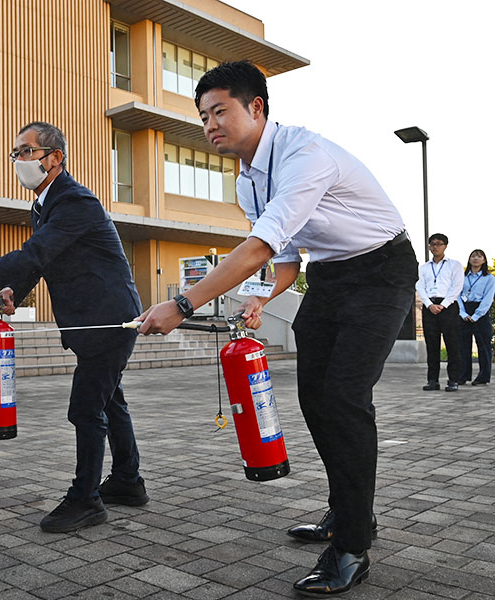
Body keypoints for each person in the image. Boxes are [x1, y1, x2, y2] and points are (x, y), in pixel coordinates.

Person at [136, 61, 418, 596]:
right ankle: (347, 511)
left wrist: (183, 303)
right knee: (314, 396)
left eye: (220, 110)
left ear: (256, 107)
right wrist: (261, 297)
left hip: (383, 269)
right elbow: (284, 259)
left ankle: (354, 546)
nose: (209, 124)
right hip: (330, 274)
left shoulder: (304, 155)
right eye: (202, 116)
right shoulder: (248, 182)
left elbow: (260, 247)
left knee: (343, 397)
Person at [0, 121, 148, 534]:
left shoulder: (75, 201)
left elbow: (34, 252)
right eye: (15, 153)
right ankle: (127, 481)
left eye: (27, 152)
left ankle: (86, 500)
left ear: (55, 158)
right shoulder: (45, 205)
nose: (19, 161)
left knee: (85, 409)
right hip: (93, 321)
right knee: (109, 402)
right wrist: (16, 288)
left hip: (108, 319)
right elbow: (45, 258)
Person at [416, 233, 464, 392]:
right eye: (432, 244)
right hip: (430, 306)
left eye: (439, 244)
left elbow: (456, 287)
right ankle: (432, 380)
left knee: (452, 344)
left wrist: (443, 305)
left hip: (448, 306)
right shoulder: (424, 267)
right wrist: (429, 305)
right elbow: (420, 287)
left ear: (445, 246)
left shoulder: (454, 265)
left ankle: (453, 380)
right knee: (432, 344)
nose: (435, 247)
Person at [457, 249, 493, 386]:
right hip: (464, 310)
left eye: (479, 256)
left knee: (483, 346)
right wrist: (463, 313)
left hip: (481, 312)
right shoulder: (463, 276)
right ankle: (463, 375)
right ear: (469, 259)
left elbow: (488, 298)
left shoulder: (489, 278)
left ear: (484, 260)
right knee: (463, 345)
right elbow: (457, 295)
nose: (476, 259)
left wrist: (477, 315)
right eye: (473, 256)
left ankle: (483, 377)